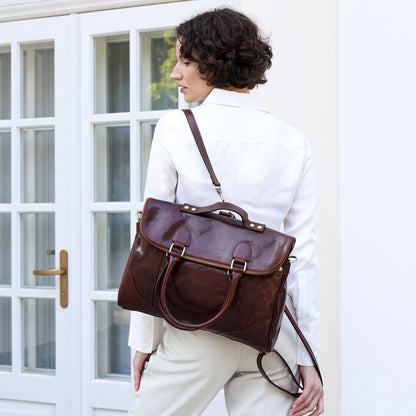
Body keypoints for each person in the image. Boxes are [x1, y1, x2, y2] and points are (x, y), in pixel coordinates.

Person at [127, 8, 323, 416]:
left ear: (213, 62)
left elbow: (148, 242)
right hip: (271, 335)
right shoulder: (294, 141)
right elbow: (303, 260)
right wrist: (309, 357)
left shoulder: (175, 128)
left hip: (197, 326)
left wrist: (144, 341)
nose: (175, 73)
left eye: (184, 60)